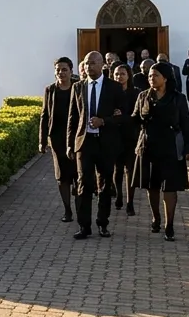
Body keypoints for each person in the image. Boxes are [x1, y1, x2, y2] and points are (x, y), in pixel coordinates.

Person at [132, 62, 189, 242]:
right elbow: (135, 119)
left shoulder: (178, 98)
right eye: (150, 76)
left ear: (166, 78)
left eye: (156, 76)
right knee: (152, 186)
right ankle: (156, 218)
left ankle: (169, 225)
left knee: (169, 188)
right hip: (149, 145)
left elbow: (186, 125)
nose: (152, 79)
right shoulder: (143, 96)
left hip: (170, 147)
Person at [66, 51, 125, 239]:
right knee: (83, 183)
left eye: (92, 63)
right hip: (84, 143)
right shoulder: (78, 87)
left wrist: (104, 121)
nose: (88, 67)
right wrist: (69, 144)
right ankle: (84, 225)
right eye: (86, 63)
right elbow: (73, 117)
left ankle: (103, 223)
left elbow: (123, 116)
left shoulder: (114, 88)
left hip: (106, 143)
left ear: (101, 65)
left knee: (105, 184)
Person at [40, 57, 78, 222]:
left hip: (76, 136)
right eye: (58, 69)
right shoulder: (50, 90)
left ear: (71, 71)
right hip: (57, 138)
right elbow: (44, 115)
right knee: (62, 175)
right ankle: (67, 209)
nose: (61, 72)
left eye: (64, 69)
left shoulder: (78, 88)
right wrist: (42, 140)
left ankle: (80, 207)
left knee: (78, 173)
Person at [111, 63, 139, 216]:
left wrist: (122, 117)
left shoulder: (135, 93)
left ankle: (130, 201)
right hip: (115, 134)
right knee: (117, 168)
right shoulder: (110, 92)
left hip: (130, 135)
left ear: (128, 75)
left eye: (122, 74)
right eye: (116, 74)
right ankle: (119, 195)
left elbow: (137, 115)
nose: (119, 77)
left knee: (130, 169)